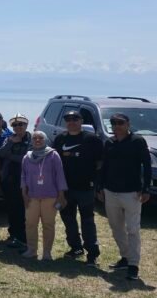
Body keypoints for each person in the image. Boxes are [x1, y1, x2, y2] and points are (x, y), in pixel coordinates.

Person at [101, 112, 151, 281]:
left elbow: (147, 165)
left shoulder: (137, 141)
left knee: (133, 229)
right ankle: (125, 257)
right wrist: (100, 187)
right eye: (114, 123)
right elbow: (104, 166)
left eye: (120, 123)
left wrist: (146, 188)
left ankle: (133, 265)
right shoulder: (109, 142)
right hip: (110, 192)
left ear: (128, 124)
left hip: (132, 193)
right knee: (116, 228)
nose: (117, 126)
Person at [53, 110, 105, 263]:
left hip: (85, 188)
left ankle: (92, 253)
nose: (71, 122)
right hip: (65, 188)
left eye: (75, 119)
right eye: (68, 119)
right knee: (68, 219)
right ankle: (75, 247)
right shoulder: (60, 139)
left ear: (81, 121)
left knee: (87, 220)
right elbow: (54, 163)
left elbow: (100, 163)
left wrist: (97, 183)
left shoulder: (91, 139)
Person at [20, 131, 67, 260]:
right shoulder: (27, 157)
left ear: (45, 139)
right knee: (30, 224)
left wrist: (61, 195)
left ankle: (47, 252)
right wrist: (24, 193)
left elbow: (60, 175)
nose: (37, 140)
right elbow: (23, 176)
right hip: (32, 196)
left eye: (40, 138)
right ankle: (31, 250)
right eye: (34, 138)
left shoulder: (53, 155)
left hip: (50, 196)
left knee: (48, 224)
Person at [0, 115, 32, 250]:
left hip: (25, 181)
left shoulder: (31, 139)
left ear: (26, 125)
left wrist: (10, 155)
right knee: (12, 209)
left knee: (23, 211)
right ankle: (13, 235)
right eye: (15, 125)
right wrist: (11, 143)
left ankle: (23, 238)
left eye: (21, 124)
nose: (18, 127)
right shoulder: (9, 138)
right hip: (9, 179)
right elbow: (1, 153)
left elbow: (28, 158)